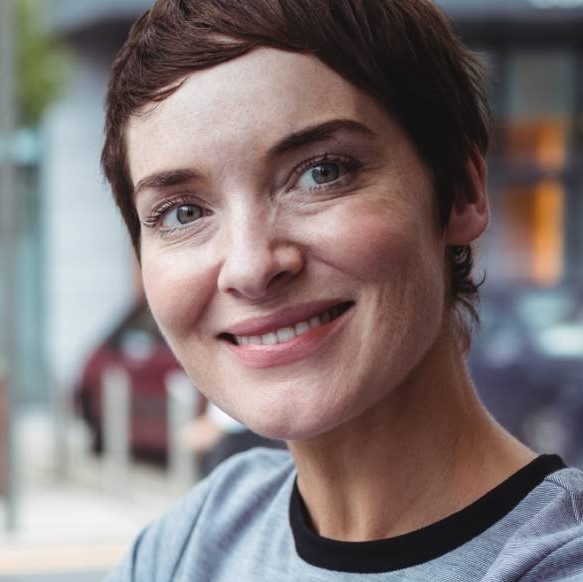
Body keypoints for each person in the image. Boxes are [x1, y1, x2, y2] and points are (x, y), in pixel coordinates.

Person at [101, 0, 583, 580]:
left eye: (321, 172)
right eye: (182, 213)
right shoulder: (195, 539)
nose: (252, 267)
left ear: (460, 191)